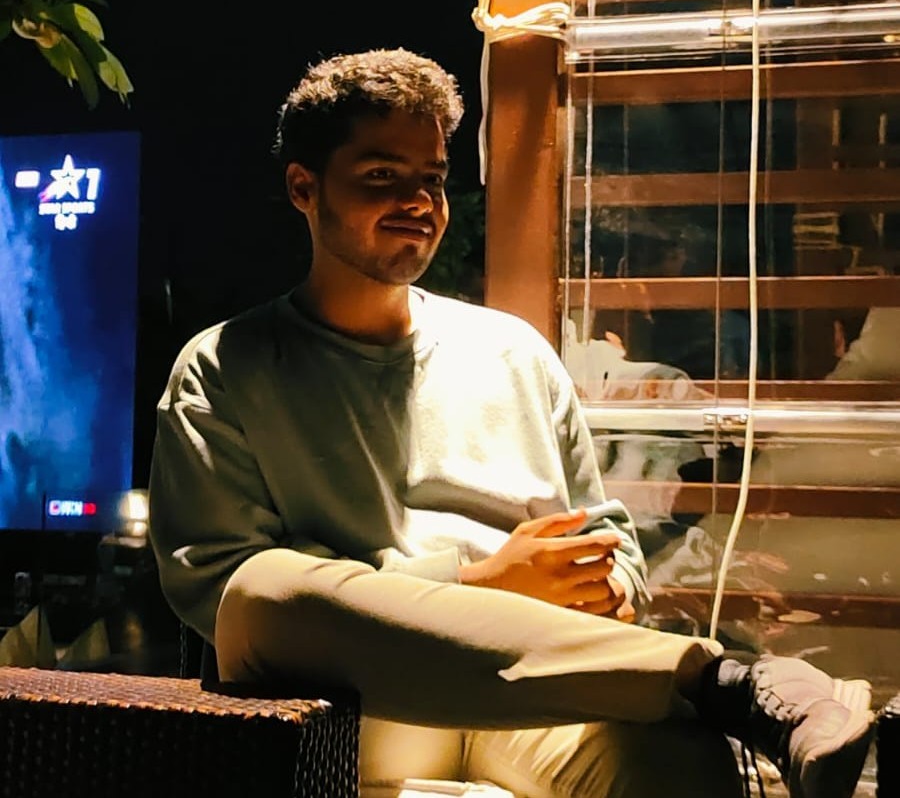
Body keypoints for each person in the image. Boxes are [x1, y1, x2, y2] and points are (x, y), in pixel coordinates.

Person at [149, 48, 875, 798]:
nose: (418, 201)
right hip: (360, 705)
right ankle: (722, 681)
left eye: (433, 178)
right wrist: (473, 583)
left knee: (675, 761)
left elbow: (609, 538)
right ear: (304, 187)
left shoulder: (511, 351)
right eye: (382, 176)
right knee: (264, 595)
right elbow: (217, 593)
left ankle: (715, 691)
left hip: (542, 699)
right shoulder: (226, 366)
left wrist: (605, 585)